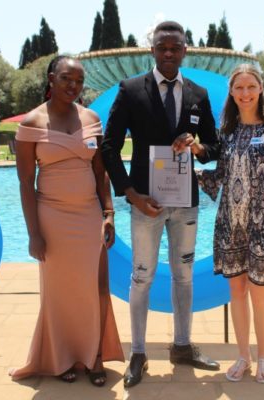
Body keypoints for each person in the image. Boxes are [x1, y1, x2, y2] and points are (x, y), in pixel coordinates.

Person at [101, 21, 221, 388]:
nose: (168, 53)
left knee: (184, 275)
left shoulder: (199, 94)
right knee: (142, 277)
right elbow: (109, 146)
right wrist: (130, 193)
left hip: (185, 203)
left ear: (185, 50)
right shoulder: (131, 90)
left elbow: (215, 147)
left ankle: (182, 345)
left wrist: (198, 147)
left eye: (175, 47)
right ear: (152, 50)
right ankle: (138, 353)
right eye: (162, 47)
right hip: (145, 202)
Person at [9, 55, 124, 385]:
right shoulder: (32, 122)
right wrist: (34, 233)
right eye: (66, 79)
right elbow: (25, 183)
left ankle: (95, 357)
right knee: (59, 293)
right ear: (51, 79)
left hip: (89, 217)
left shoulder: (91, 118)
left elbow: (100, 172)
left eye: (78, 81)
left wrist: (108, 213)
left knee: (95, 289)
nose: (73, 86)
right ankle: (62, 359)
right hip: (52, 219)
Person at [196, 64, 264, 383]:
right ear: (231, 92)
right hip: (231, 222)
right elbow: (220, 176)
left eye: (251, 87)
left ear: (260, 89)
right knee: (237, 291)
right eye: (239, 88)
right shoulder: (227, 131)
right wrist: (186, 171)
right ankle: (243, 356)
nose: (245, 93)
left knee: (260, 293)